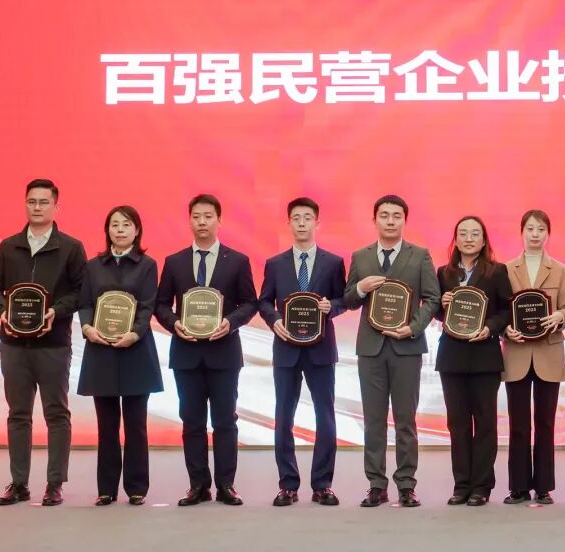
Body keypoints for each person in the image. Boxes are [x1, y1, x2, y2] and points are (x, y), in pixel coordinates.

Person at [0, 178, 87, 507]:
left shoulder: (71, 248)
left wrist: (56, 311)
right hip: (13, 346)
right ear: (25, 204)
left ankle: (55, 484)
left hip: (53, 345)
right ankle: (19, 483)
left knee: (56, 414)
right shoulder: (8, 246)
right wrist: (4, 312)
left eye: (44, 202)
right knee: (18, 414)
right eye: (32, 201)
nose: (37, 207)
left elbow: (81, 292)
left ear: (56, 206)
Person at [155, 194, 257, 507]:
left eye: (208, 216)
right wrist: (174, 323)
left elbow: (249, 303)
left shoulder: (237, 260)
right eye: (197, 216)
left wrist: (231, 323)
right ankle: (198, 485)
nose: (202, 222)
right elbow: (161, 304)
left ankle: (226, 485)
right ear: (189, 221)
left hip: (224, 353)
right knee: (192, 421)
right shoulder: (175, 261)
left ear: (219, 220)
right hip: (186, 354)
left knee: (225, 421)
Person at [343, 195, 440, 508]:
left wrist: (413, 328)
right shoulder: (360, 257)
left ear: (404, 221)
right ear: (375, 220)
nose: (390, 221)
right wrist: (361, 288)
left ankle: (407, 485)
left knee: (405, 421)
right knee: (373, 421)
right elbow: (349, 299)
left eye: (396, 216)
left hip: (406, 347)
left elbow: (433, 299)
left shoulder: (420, 255)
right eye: (384, 215)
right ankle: (376, 485)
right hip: (370, 349)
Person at [258, 197, 346, 507]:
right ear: (289, 223)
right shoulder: (275, 264)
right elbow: (264, 301)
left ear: (317, 223)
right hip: (286, 349)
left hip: (321, 349)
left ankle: (322, 484)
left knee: (326, 416)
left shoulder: (333, 262)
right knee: (284, 417)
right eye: (296, 218)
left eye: (307, 218)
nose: (302, 223)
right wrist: (274, 320)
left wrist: (332, 307)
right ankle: (288, 484)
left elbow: (343, 299)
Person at [77, 205, 164, 506]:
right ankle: (106, 489)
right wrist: (87, 327)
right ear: (107, 230)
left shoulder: (148, 265)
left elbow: (147, 305)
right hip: (100, 351)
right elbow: (85, 303)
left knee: (136, 425)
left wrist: (135, 333)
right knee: (107, 426)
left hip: (135, 351)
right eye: (114, 225)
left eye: (126, 225)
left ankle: (137, 487)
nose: (120, 230)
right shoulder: (93, 266)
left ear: (137, 230)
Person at [435, 216, 512, 506]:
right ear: (455, 239)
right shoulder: (444, 273)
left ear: (484, 240)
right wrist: (441, 306)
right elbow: (437, 311)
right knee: (457, 424)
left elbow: (507, 310)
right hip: (451, 356)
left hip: (484, 356)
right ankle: (461, 485)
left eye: (475, 233)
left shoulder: (497, 271)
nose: (469, 238)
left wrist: (490, 328)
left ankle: (481, 486)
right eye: (463, 233)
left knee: (485, 422)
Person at [502, 210, 565, 506]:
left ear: (548, 234)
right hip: (517, 353)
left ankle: (544, 486)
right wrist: (505, 329)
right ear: (522, 232)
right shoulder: (506, 269)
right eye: (530, 228)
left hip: (548, 352)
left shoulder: (559, 269)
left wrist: (561, 316)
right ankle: (518, 487)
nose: (535, 234)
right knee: (518, 424)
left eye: (541, 229)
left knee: (545, 423)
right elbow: (500, 311)